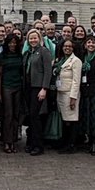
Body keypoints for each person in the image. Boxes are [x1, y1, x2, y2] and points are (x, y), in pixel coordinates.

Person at [24, 28, 54, 156]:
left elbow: (48, 71)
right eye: (30, 38)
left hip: (39, 88)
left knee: (36, 117)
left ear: (40, 39)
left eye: (35, 38)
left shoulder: (44, 51)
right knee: (31, 116)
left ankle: (38, 145)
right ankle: (31, 142)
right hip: (28, 87)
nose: (33, 40)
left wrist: (44, 88)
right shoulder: (28, 53)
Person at [53, 38, 82, 153]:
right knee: (65, 120)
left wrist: (73, 97)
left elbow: (76, 80)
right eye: (65, 46)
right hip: (60, 93)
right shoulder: (61, 61)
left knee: (72, 120)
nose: (67, 48)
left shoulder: (76, 61)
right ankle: (65, 142)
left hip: (70, 94)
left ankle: (71, 144)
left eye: (70, 46)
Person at [0, 31, 25, 152]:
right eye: (10, 43)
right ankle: (7, 141)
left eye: (14, 43)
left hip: (18, 86)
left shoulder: (20, 56)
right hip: (6, 86)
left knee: (16, 114)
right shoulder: (2, 56)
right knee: (8, 114)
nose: (12, 45)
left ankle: (13, 140)